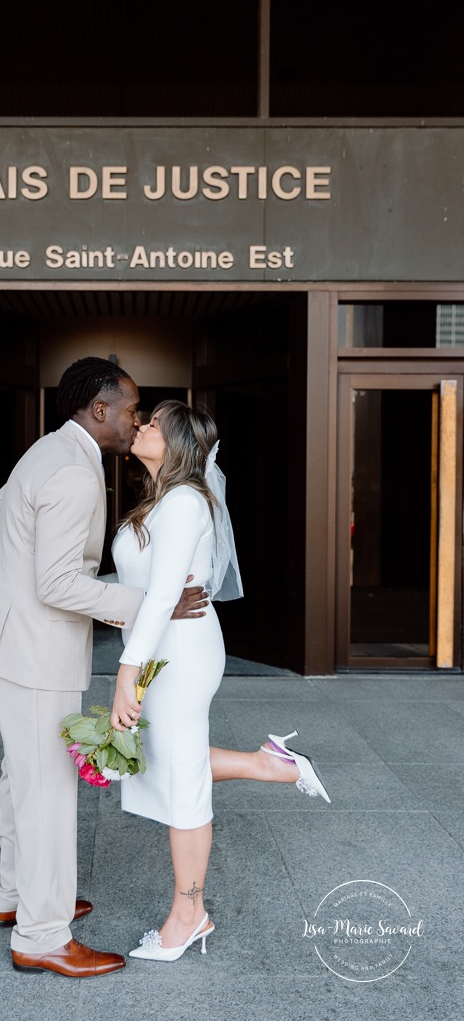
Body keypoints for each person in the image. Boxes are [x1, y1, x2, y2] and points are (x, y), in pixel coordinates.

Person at [0, 359, 208, 979]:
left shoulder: (47, 450)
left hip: (9, 640)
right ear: (99, 409)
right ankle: (43, 934)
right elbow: (56, 584)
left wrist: (22, 581)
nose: (136, 420)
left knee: (20, 774)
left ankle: (15, 896)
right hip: (37, 648)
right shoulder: (76, 475)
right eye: (131, 409)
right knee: (47, 788)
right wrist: (147, 606)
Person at [110, 400, 331, 962]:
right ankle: (266, 764)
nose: (141, 425)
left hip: (180, 651)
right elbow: (142, 587)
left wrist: (125, 674)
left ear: (179, 443)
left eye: (154, 422)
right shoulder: (160, 500)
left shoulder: (184, 502)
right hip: (163, 642)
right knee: (168, 756)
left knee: (181, 779)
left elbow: (162, 596)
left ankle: (189, 914)